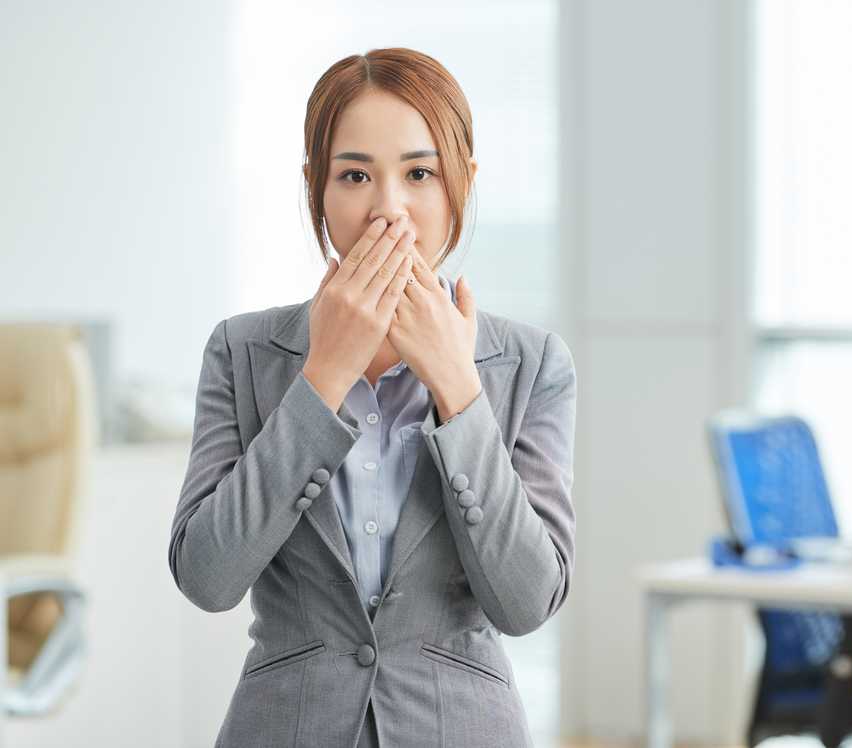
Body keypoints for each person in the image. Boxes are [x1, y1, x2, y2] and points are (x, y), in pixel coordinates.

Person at [167, 47, 577, 748]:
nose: (388, 209)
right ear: (316, 187)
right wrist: (323, 378)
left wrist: (458, 389)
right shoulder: (242, 351)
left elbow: (528, 601)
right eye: (355, 175)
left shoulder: (531, 364)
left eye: (420, 173)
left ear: (462, 182)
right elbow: (207, 578)